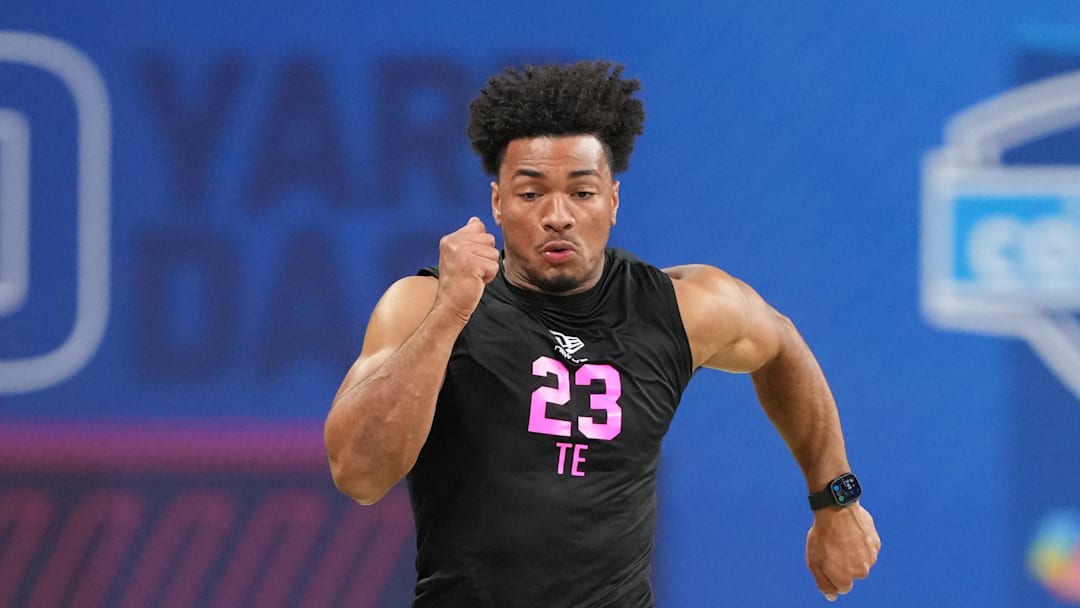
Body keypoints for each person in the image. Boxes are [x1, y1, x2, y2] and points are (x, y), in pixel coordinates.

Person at [324, 59, 881, 607]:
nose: (558, 215)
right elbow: (360, 474)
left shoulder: (680, 309)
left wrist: (836, 499)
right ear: (497, 203)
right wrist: (449, 315)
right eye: (531, 193)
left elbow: (780, 345)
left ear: (613, 201)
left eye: (582, 192)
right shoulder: (424, 305)